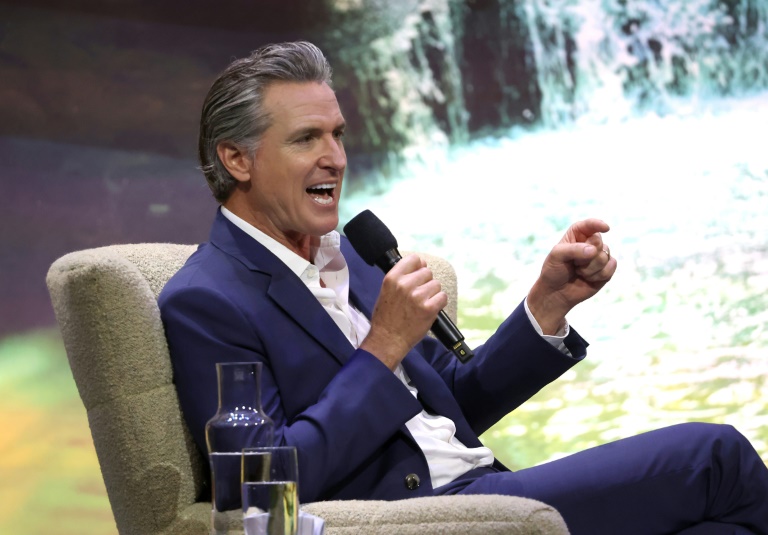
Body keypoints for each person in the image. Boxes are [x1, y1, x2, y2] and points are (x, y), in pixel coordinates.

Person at [158, 41, 768, 534]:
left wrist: (545, 306)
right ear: (237, 160)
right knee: (714, 458)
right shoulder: (208, 301)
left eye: (337, 134)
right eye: (306, 139)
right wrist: (384, 346)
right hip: (419, 517)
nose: (336, 158)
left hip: (484, 489)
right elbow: (263, 485)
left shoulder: (352, 258)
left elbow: (454, 407)